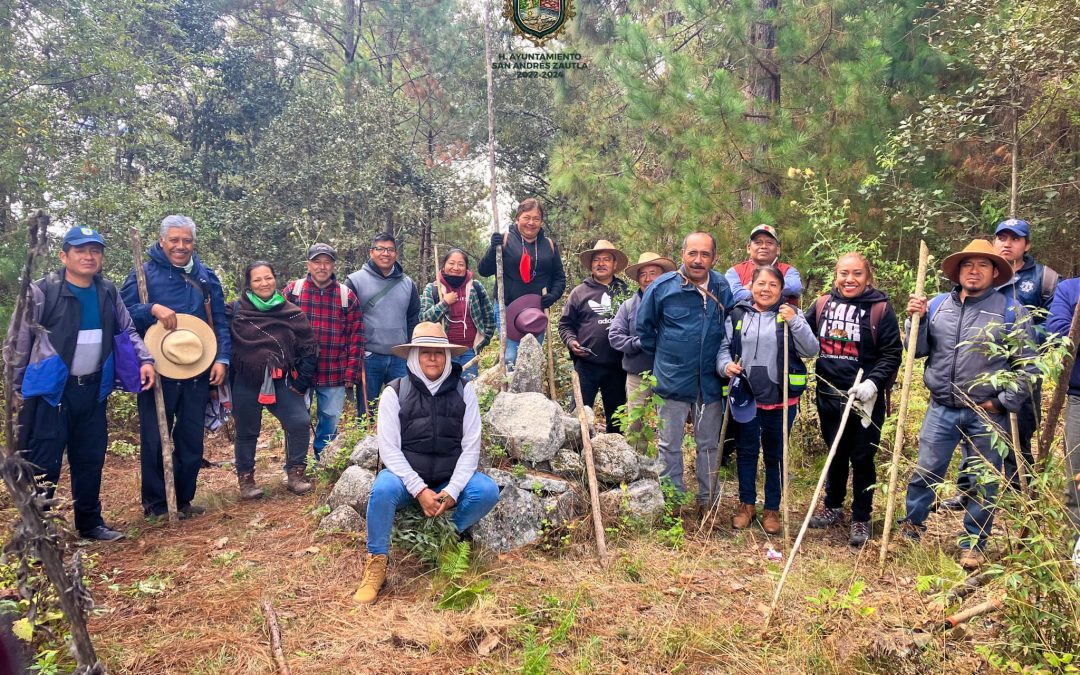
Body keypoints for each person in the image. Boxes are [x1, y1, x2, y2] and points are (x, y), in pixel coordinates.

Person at [900, 240, 1038, 570]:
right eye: (967, 265)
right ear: (958, 271)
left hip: (985, 411)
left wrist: (1003, 402)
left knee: (984, 480)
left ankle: (974, 543)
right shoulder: (936, 306)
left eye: (982, 266)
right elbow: (916, 351)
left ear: (994, 272)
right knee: (926, 471)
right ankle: (912, 528)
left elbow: (1029, 365)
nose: (973, 271)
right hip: (941, 407)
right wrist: (913, 322)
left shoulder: (1009, 310)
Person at [11, 226, 156, 541]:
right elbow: (20, 340)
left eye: (95, 251)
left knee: (90, 457)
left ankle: (90, 523)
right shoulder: (41, 292)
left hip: (92, 390)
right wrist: (15, 388)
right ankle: (38, 531)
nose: (89, 256)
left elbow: (127, 330)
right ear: (65, 255)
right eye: (80, 250)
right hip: (51, 393)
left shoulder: (107, 291)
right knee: (43, 462)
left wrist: (145, 360)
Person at [353, 323, 500, 605]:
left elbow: (471, 448)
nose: (432, 358)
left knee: (487, 491)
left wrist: (453, 491)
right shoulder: (395, 392)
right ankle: (376, 565)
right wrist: (419, 490)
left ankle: (439, 539)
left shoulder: (464, 390)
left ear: (447, 357)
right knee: (382, 489)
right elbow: (389, 450)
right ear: (414, 356)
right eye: (425, 352)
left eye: (439, 353)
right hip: (406, 480)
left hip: (448, 478)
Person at [942, 218, 1062, 506]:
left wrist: (1022, 336)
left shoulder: (1044, 278)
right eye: (1001, 237)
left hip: (1022, 365)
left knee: (1020, 428)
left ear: (1027, 244)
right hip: (983, 367)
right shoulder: (983, 272)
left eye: (1015, 238)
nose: (1007, 243)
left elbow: (1056, 324)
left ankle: (1020, 487)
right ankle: (968, 489)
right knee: (973, 428)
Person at [122, 215, 230, 520]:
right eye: (175, 240)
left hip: (196, 370)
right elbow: (121, 314)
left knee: (191, 438)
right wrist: (150, 309)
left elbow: (219, 321)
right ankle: (156, 504)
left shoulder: (206, 276)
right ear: (162, 241)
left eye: (187, 241)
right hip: (156, 371)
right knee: (155, 438)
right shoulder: (144, 275)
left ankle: (183, 499)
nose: (181, 246)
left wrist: (222, 358)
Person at [804, 253, 902, 545]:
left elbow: (892, 352)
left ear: (868, 276)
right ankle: (833, 506)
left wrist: (873, 383)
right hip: (828, 393)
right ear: (836, 275)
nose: (850, 279)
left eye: (857, 274)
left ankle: (861, 517)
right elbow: (802, 335)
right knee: (835, 452)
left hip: (864, 398)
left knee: (862, 457)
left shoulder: (880, 310)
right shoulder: (822, 304)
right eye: (844, 273)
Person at [636, 232, 734, 510]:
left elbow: (729, 328)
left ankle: (708, 502)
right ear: (682, 255)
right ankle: (673, 502)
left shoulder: (722, 288)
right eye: (693, 253)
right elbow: (645, 330)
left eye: (705, 254)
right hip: (672, 380)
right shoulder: (663, 287)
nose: (698, 260)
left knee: (708, 446)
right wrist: (668, 358)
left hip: (710, 383)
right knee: (670, 445)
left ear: (714, 258)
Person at [717, 266, 819, 534]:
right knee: (747, 452)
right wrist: (725, 366)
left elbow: (811, 349)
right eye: (761, 283)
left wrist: (795, 321)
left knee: (775, 456)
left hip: (781, 399)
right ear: (751, 286)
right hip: (746, 398)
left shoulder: (790, 315)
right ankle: (746, 505)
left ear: (781, 290)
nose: (766, 289)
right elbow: (724, 349)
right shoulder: (737, 313)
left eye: (773, 285)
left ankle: (772, 509)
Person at [230, 262, 318, 497]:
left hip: (281, 381)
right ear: (249, 284)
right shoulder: (235, 311)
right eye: (257, 279)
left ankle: (296, 474)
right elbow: (218, 338)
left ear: (275, 279)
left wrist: (301, 383)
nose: (264, 283)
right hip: (246, 381)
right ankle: (247, 481)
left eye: (268, 278)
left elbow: (309, 347)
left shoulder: (291, 311)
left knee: (299, 422)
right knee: (247, 431)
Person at [283, 243, 364, 460]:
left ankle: (323, 464)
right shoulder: (293, 292)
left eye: (327, 262)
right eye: (317, 262)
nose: (322, 267)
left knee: (329, 420)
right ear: (308, 264)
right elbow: (279, 330)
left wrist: (351, 373)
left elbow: (356, 337)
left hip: (334, 370)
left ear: (333, 265)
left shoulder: (346, 296)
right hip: (298, 372)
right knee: (296, 420)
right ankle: (295, 467)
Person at [478, 198, 567, 366]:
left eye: (536, 218)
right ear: (517, 218)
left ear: (541, 221)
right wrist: (492, 249)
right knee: (511, 356)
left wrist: (554, 295)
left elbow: (559, 277)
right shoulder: (504, 240)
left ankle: (532, 391)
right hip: (508, 308)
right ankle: (511, 391)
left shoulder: (548, 245)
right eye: (526, 217)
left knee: (533, 355)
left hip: (537, 311)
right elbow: (484, 270)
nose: (531, 223)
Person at [559, 240, 631, 434]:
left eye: (607, 259)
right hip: (586, 365)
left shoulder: (625, 293)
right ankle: (577, 455)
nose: (601, 263)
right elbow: (565, 325)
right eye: (597, 260)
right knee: (579, 418)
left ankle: (614, 456)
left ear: (615, 265)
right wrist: (571, 341)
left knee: (617, 421)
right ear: (591, 264)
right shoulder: (579, 293)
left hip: (618, 366)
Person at [345, 233, 420, 412]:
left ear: (395, 253)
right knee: (366, 411)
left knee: (403, 408)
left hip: (400, 358)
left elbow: (413, 318)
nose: (385, 253)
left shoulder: (408, 284)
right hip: (369, 357)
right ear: (371, 252)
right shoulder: (354, 281)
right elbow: (346, 321)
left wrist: (410, 351)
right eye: (380, 249)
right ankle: (365, 440)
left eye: (390, 250)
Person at [609, 252, 677, 451]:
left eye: (653, 273)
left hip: (669, 373)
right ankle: (636, 465)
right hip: (637, 374)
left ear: (663, 277)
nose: (648, 279)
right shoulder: (629, 306)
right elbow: (615, 336)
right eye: (643, 274)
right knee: (635, 422)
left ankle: (665, 468)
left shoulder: (675, 305)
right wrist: (640, 343)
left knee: (668, 422)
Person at [418, 248, 496, 381]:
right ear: (444, 265)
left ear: (466, 268)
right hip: (443, 351)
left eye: (461, 264)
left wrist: (482, 340)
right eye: (451, 263)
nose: (456, 268)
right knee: (444, 388)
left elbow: (489, 317)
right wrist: (444, 303)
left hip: (469, 351)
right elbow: (424, 319)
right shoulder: (433, 289)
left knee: (468, 388)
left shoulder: (475, 287)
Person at [1046, 276, 1080, 535]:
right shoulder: (1069, 289)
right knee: (1076, 478)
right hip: (1079, 397)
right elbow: (1059, 334)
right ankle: (1076, 550)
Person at [725, 224, 803, 305]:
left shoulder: (789, 270)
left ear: (778, 249)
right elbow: (732, 295)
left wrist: (751, 287)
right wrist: (773, 289)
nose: (764, 246)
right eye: (758, 242)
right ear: (748, 248)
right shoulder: (734, 272)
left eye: (769, 243)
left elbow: (795, 287)